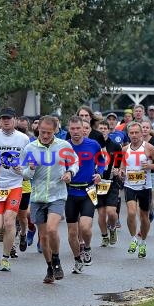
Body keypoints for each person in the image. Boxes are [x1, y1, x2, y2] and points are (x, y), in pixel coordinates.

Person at [22, 116, 79, 283]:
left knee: (52, 229)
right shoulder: (30, 148)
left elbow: (75, 161)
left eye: (49, 132)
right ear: (38, 129)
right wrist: (30, 169)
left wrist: (70, 172)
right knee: (44, 237)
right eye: (42, 132)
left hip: (57, 195)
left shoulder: (63, 146)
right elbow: (23, 173)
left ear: (55, 131)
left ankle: (56, 260)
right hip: (38, 196)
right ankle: (49, 267)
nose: (45, 135)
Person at [0, 107, 30, 272]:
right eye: (3, 118)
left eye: (9, 118)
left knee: (10, 221)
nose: (6, 121)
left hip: (14, 185)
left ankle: (5, 258)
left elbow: (29, 163)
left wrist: (23, 170)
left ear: (15, 120)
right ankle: (1, 233)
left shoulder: (24, 139)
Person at [118, 122, 154, 258]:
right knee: (131, 213)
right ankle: (133, 239)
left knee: (144, 217)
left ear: (141, 133)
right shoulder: (125, 149)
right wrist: (120, 172)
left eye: (136, 132)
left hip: (145, 186)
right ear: (128, 134)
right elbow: (123, 165)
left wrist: (150, 166)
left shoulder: (148, 148)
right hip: (130, 185)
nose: (134, 135)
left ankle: (143, 242)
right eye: (131, 133)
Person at [65, 116, 104, 273]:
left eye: (78, 128)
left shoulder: (93, 144)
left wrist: (99, 173)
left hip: (88, 190)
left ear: (84, 129)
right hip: (70, 192)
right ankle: (77, 259)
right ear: (69, 130)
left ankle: (87, 248)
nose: (75, 131)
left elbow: (101, 161)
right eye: (72, 129)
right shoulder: (64, 146)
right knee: (72, 232)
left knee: (86, 228)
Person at [95, 120, 122, 248]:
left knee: (111, 212)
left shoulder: (115, 146)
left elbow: (119, 163)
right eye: (101, 128)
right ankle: (104, 236)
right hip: (97, 182)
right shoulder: (93, 145)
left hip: (111, 182)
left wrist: (118, 170)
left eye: (105, 128)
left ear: (109, 130)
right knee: (101, 213)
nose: (103, 130)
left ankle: (112, 228)